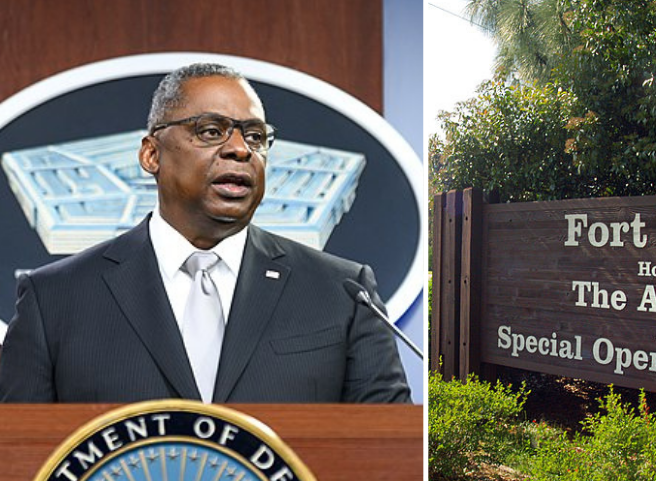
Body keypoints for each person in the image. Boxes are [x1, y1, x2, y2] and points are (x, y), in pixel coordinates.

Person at [0, 63, 411, 404]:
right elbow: (16, 462)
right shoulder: (54, 300)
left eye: (255, 136)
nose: (240, 149)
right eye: (211, 131)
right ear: (151, 154)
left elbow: (389, 454)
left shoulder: (342, 293)